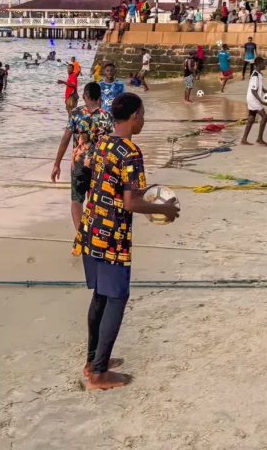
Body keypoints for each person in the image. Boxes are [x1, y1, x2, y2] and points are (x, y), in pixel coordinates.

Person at [72, 92, 180, 390]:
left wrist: (151, 193)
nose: (143, 119)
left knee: (100, 297)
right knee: (116, 298)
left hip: (90, 226)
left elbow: (94, 176)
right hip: (112, 237)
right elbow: (131, 203)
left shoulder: (103, 141)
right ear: (133, 116)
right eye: (143, 114)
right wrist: (164, 208)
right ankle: (98, 374)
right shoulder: (131, 151)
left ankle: (92, 361)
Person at [52, 81, 115, 229]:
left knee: (76, 200)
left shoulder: (75, 114)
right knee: (94, 199)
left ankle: (80, 234)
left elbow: (65, 139)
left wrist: (57, 164)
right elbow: (113, 142)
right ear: (100, 97)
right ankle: (93, 233)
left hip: (79, 163)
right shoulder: (107, 116)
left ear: (84, 96)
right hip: (99, 163)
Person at [240, 57, 267, 147]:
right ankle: (259, 139)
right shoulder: (255, 75)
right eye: (263, 64)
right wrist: (261, 101)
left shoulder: (259, 74)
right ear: (258, 64)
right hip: (253, 99)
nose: (264, 65)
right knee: (265, 117)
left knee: (251, 118)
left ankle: (244, 139)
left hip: (253, 98)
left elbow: (260, 87)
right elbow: (253, 90)